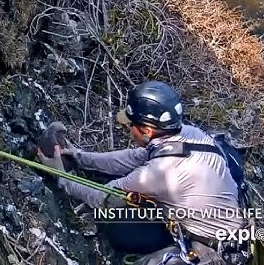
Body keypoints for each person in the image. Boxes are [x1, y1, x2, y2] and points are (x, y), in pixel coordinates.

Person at [37, 80, 250, 265]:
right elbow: (132, 158)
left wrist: (61, 176)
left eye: (131, 125)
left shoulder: (160, 173)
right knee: (122, 229)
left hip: (218, 254)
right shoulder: (189, 133)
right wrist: (79, 156)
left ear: (147, 131)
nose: (129, 129)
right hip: (220, 231)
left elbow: (101, 197)